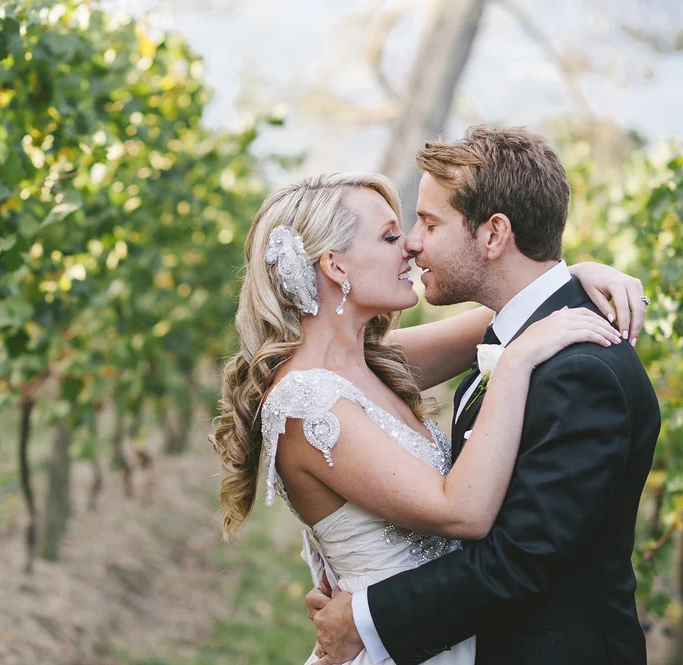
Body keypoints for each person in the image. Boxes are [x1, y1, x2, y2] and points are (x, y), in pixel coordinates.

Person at [210, 128, 655, 665]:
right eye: (392, 235)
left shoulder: (374, 364)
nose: (412, 246)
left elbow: (515, 310)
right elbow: (464, 512)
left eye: (423, 225)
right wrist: (517, 358)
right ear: (335, 266)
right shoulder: (311, 396)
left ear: (493, 234)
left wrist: (574, 277)